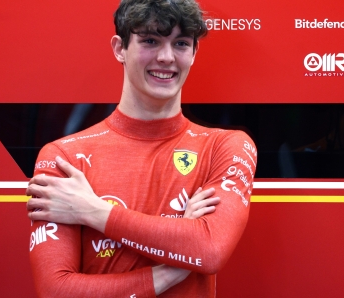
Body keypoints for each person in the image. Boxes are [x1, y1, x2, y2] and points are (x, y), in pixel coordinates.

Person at [26, 0, 257, 297]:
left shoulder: (225, 146)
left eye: (181, 44)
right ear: (119, 48)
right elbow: (56, 291)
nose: (166, 57)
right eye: (150, 40)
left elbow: (210, 250)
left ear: (194, 53)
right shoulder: (63, 157)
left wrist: (93, 212)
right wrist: (172, 268)